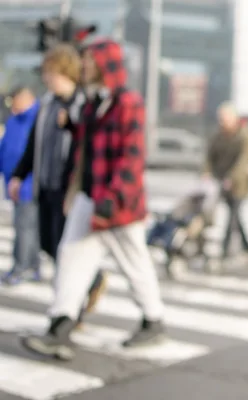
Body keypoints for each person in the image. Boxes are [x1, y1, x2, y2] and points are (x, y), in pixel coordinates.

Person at [19, 39, 165, 361]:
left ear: (105, 64)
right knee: (71, 258)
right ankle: (60, 325)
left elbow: (132, 157)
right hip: (90, 195)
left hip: (118, 203)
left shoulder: (128, 102)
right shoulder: (92, 103)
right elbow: (89, 141)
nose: (83, 66)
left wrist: (113, 198)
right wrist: (72, 125)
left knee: (135, 262)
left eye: (89, 61)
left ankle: (153, 320)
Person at [10, 44, 107, 316]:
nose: (46, 78)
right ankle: (88, 284)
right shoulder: (47, 104)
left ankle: (71, 306)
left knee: (66, 249)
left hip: (70, 189)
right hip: (46, 184)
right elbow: (34, 144)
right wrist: (19, 175)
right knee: (48, 244)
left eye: (50, 72)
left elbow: (88, 147)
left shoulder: (82, 104)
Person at [204, 102, 248, 264]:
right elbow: (210, 154)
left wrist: (232, 178)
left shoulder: (245, 134)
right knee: (236, 215)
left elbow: (245, 160)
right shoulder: (219, 134)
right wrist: (206, 172)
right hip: (221, 180)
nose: (222, 122)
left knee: (232, 215)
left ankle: (225, 249)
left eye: (224, 119)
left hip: (239, 182)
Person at [0, 87, 41, 285]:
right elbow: (5, 149)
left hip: (29, 183)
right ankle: (31, 265)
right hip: (14, 182)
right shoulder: (13, 120)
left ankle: (22, 267)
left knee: (25, 227)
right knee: (25, 226)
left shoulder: (38, 118)